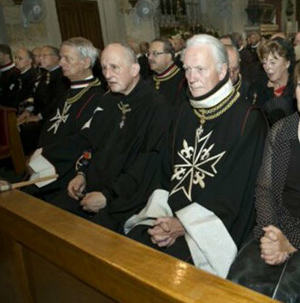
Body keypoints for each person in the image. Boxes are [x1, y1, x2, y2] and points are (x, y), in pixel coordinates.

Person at [124, 34, 268, 278]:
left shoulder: (248, 120)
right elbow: (165, 171)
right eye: (188, 69)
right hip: (172, 215)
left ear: (223, 71)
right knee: (133, 246)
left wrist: (183, 226)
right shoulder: (183, 113)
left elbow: (233, 192)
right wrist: (161, 218)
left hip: (214, 226)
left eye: (200, 69)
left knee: (168, 271)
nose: (191, 78)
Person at [50, 42, 170, 234]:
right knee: (52, 216)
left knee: (87, 236)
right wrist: (82, 173)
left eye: (114, 67)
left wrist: (108, 196)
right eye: (104, 68)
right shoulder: (107, 100)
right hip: (94, 188)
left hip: (127, 198)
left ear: (134, 69)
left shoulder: (157, 108)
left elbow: (147, 165)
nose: (107, 74)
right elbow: (91, 143)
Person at [228, 62, 300, 303]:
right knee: (239, 282)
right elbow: (265, 188)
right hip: (278, 224)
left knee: (285, 294)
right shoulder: (282, 130)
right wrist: (272, 232)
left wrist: (291, 243)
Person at [23, 37, 105, 201]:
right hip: (47, 162)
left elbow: (84, 140)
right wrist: (36, 155)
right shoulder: (67, 93)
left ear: (86, 62)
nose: (61, 63)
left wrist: (43, 156)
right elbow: (50, 126)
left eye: (67, 58)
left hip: (70, 171)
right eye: (61, 58)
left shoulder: (99, 97)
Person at [17, 45, 68, 155]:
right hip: (41, 113)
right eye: (40, 56)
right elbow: (35, 95)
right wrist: (28, 110)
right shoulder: (44, 74)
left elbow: (57, 102)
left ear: (56, 58)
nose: (40, 58)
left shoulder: (62, 75)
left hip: (53, 116)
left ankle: (37, 160)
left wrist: (39, 116)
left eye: (44, 55)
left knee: (28, 129)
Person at [248, 37, 297, 126]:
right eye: (264, 63)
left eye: (273, 62)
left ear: (287, 63)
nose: (267, 67)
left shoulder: (296, 89)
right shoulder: (257, 88)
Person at [147, 37, 186, 109]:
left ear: (169, 56)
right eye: (148, 54)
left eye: (155, 53)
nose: (149, 58)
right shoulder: (147, 82)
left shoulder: (184, 81)